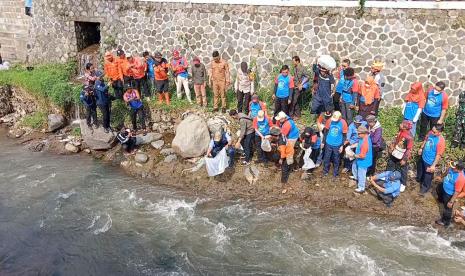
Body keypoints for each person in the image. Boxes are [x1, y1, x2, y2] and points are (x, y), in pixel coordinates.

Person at [416, 124, 446, 196]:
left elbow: (438, 155)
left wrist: (433, 165)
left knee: (428, 176)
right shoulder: (430, 132)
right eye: (432, 130)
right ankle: (419, 179)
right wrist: (421, 148)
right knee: (421, 170)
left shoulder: (441, 141)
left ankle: (425, 188)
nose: (432, 132)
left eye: (434, 132)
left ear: (440, 132)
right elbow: (426, 139)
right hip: (423, 156)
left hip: (430, 161)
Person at [435, 161, 465, 227]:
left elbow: (457, 192)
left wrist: (451, 202)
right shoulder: (452, 168)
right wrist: (441, 177)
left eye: (453, 167)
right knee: (438, 188)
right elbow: (447, 172)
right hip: (444, 187)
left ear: (458, 169)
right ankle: (441, 200)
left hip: (449, 194)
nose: (451, 167)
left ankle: (445, 221)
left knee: (448, 208)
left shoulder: (461, 178)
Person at [386, 120, 414, 192]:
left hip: (402, 155)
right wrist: (392, 146)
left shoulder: (409, 137)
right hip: (395, 152)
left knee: (403, 170)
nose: (400, 124)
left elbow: (409, 149)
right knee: (390, 164)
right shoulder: (400, 131)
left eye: (401, 124)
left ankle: (403, 183)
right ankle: (387, 176)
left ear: (405, 127)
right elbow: (396, 140)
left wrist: (404, 159)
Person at [322, 111, 348, 177]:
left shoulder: (343, 123)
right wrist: (323, 142)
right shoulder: (329, 121)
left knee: (336, 159)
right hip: (328, 143)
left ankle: (335, 173)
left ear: (340, 118)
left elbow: (344, 135)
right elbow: (326, 132)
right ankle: (325, 171)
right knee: (326, 158)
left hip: (337, 144)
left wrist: (342, 145)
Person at [352, 125, 373, 193]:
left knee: (362, 174)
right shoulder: (364, 137)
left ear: (364, 133)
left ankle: (361, 187)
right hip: (359, 158)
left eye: (359, 133)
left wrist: (353, 155)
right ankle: (356, 177)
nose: (358, 135)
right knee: (354, 165)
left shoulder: (365, 143)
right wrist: (352, 146)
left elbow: (362, 156)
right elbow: (359, 143)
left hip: (363, 161)